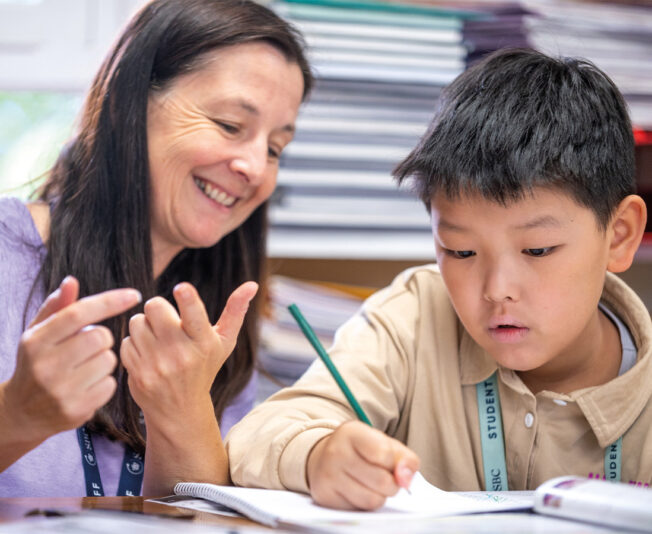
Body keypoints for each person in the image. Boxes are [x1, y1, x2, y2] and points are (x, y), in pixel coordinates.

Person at [226, 48, 651, 509]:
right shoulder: (415, 314)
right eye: (460, 251)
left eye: (537, 250)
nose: (496, 289)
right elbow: (256, 437)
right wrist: (318, 455)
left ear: (620, 235)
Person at [0, 0, 312, 497]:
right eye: (231, 125)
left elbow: (199, 516)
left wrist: (183, 414)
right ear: (129, 105)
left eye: (275, 148)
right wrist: (15, 415)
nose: (255, 166)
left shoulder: (218, 315)